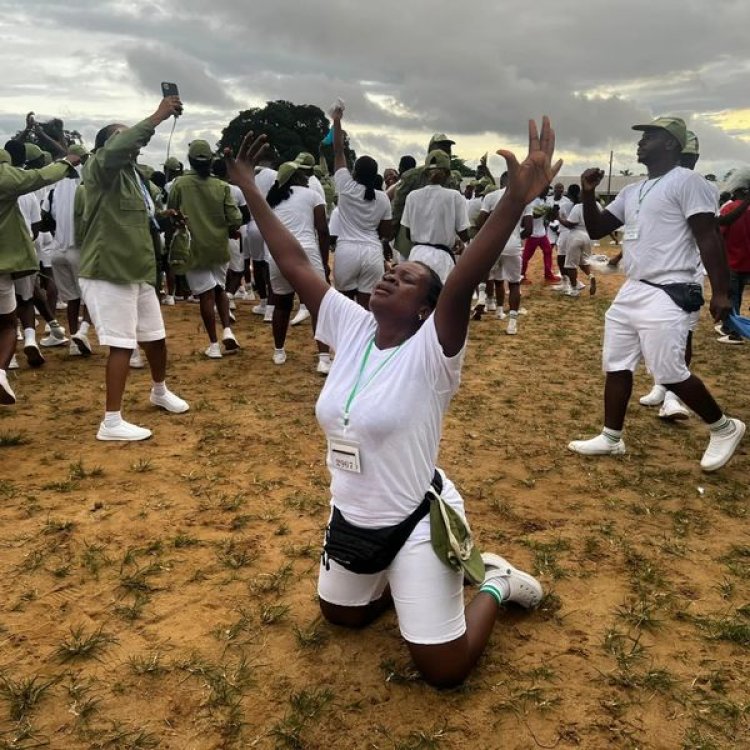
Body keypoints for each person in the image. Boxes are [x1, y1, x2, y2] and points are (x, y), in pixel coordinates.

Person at [224, 115, 560, 688]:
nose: (387, 278)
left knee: (443, 669)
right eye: (389, 270)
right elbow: (296, 262)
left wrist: (513, 200)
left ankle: (496, 582)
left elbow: (464, 279)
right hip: (352, 514)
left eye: (405, 280)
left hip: (417, 519)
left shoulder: (434, 351)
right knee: (342, 616)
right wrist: (251, 188)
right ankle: (405, 586)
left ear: (427, 310)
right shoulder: (351, 325)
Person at [568, 117, 744, 471]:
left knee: (668, 370)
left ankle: (724, 427)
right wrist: (588, 194)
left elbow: (708, 237)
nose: (641, 141)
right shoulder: (634, 189)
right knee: (616, 363)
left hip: (671, 287)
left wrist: (721, 292)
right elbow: (599, 226)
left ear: (670, 144)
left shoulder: (688, 181)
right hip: (633, 288)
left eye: (650, 136)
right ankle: (611, 437)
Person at [79, 96, 189, 441]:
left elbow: (136, 215)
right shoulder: (100, 168)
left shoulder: (133, 177)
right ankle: (111, 422)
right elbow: (120, 147)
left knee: (155, 339)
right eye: (122, 138)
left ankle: (159, 390)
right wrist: (158, 116)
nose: (134, 143)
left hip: (138, 269)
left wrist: (163, 216)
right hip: (109, 270)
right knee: (122, 345)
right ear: (105, 147)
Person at [0, 145, 80, 403]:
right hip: (11, 260)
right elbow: (41, 178)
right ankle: (3, 368)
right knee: (11, 319)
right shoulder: (11, 181)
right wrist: (67, 161)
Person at [167, 141, 243, 359]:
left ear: (189, 160)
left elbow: (171, 211)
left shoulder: (179, 184)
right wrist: (228, 228)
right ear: (210, 160)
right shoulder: (222, 186)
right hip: (219, 246)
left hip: (193, 247)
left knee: (206, 296)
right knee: (220, 289)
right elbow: (236, 218)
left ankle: (213, 344)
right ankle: (228, 330)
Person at [263, 160, 331, 372]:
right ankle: (323, 358)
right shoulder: (313, 195)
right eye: (302, 174)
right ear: (296, 177)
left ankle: (279, 351)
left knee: (282, 304)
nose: (306, 177)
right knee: (318, 306)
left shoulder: (272, 200)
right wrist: (324, 261)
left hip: (278, 253)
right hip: (306, 252)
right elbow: (322, 230)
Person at [330, 107, 392, 308]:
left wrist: (337, 119)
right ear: (376, 176)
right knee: (367, 310)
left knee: (346, 307)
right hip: (373, 253)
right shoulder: (382, 198)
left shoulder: (346, 187)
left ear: (354, 171)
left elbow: (338, 151)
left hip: (346, 250)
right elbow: (386, 233)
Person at [400, 150, 470, 283]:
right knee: (439, 299)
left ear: (425, 173)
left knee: (416, 298)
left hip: (416, 254)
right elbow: (464, 234)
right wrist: (457, 241)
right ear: (448, 174)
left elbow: (408, 234)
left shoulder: (412, 196)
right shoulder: (455, 196)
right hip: (441, 257)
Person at [475, 175, 532, 334]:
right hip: (512, 245)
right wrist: (515, 238)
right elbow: (529, 229)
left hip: (493, 243)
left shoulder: (491, 197)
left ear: (501, 182)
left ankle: (481, 296)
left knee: (484, 270)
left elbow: (480, 223)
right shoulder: (524, 200)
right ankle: (512, 323)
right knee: (514, 284)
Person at [716, 179, 750, 344]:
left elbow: (720, 234)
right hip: (747, 261)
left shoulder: (730, 208)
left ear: (737, 192)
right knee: (739, 294)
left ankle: (734, 332)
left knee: (732, 297)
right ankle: (731, 327)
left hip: (732, 261)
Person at [520, 186, 560, 284]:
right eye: (544, 190)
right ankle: (521, 276)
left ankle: (548, 274)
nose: (546, 192)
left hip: (542, 233)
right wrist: (545, 211)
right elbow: (533, 215)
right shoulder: (533, 201)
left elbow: (551, 218)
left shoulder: (546, 201)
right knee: (526, 256)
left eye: (547, 190)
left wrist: (554, 211)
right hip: (532, 234)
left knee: (548, 252)